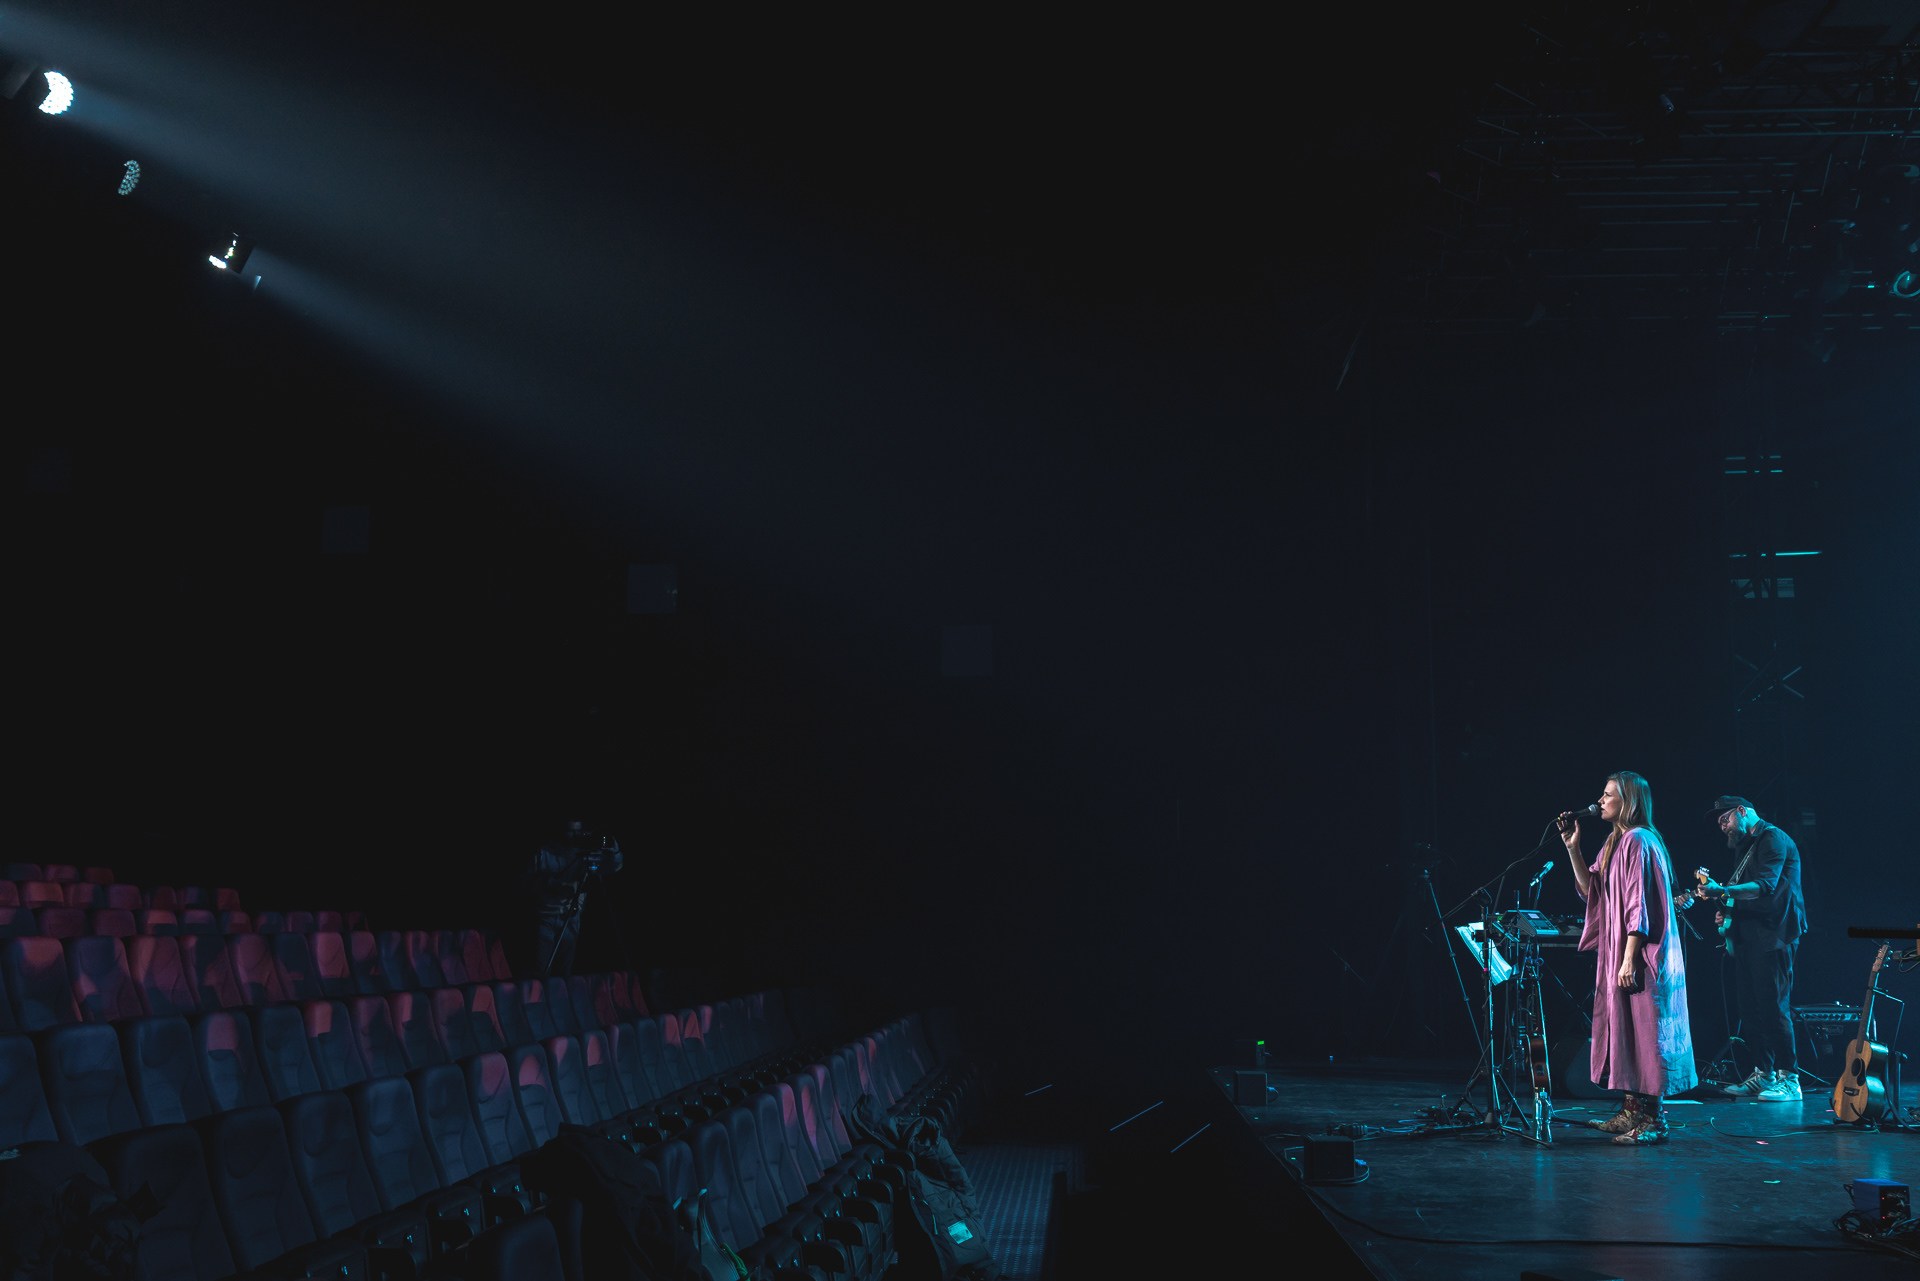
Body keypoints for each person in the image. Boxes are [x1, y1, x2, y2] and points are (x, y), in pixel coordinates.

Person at [1558, 771, 1697, 1144]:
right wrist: (1573, 848)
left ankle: (1654, 1120)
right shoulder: (1613, 842)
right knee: (1628, 1032)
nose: (1600, 801)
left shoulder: (1639, 840)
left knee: (1647, 1032)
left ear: (1629, 801)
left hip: (1641, 955)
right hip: (1621, 952)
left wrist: (1629, 957)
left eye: (1607, 795)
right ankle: (1631, 1110)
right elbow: (1592, 892)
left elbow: (1639, 905)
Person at [1699, 795, 1806, 1102]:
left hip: (1775, 935)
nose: (1723, 827)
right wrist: (1727, 909)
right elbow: (1745, 894)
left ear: (1742, 812)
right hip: (1749, 937)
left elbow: (1767, 886)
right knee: (1750, 1008)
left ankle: (1790, 1078)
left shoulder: (1773, 838)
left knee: (1774, 1007)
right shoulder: (1745, 847)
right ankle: (1764, 1073)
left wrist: (1724, 890)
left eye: (1725, 819)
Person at [523, 820, 623, 977]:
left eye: (578, 831)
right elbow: (526, 882)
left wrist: (611, 846)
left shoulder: (585, 853)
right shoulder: (545, 852)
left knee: (563, 973)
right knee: (539, 970)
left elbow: (613, 866)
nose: (575, 835)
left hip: (571, 919)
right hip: (546, 918)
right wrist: (550, 883)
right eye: (571, 831)